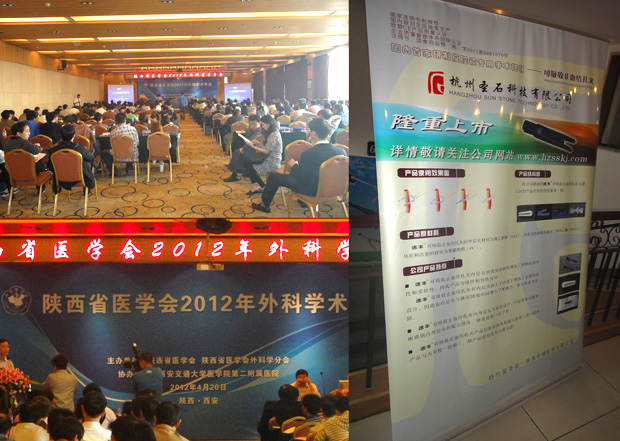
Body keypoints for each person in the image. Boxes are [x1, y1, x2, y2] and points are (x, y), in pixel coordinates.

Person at [252, 118, 345, 213]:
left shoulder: (309, 153)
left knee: (273, 177)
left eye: (310, 130)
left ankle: (264, 205)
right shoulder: (340, 151)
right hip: (334, 189)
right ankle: (302, 201)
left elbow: (300, 177)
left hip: (312, 190)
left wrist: (294, 166)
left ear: (314, 133)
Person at [241, 114, 282, 196]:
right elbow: (268, 148)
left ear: (268, 124)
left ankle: (260, 186)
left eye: (263, 125)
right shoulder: (272, 132)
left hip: (273, 160)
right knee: (246, 162)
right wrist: (258, 143)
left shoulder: (274, 135)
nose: (262, 127)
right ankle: (260, 185)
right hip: (269, 156)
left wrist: (254, 147)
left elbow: (266, 151)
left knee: (249, 166)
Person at [47, 124, 96, 193]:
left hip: (60, 179)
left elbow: (50, 166)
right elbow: (91, 157)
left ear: (60, 136)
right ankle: (86, 189)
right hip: (79, 178)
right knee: (87, 162)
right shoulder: (80, 149)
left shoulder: (54, 151)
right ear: (74, 136)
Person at [223, 114, 262, 182]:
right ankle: (238, 170)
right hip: (252, 148)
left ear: (259, 123)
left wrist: (243, 149)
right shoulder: (251, 129)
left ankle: (234, 175)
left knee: (237, 153)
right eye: (250, 124)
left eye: (254, 124)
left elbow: (250, 142)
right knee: (237, 151)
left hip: (257, 151)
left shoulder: (259, 131)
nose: (252, 126)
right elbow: (247, 133)